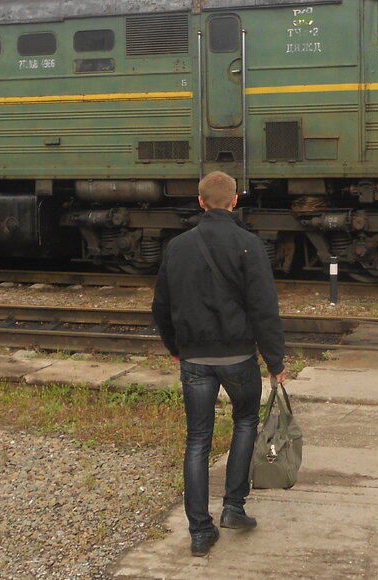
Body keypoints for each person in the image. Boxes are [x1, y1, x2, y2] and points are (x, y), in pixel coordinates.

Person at [152, 170, 288, 558]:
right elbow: (264, 309)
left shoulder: (177, 246)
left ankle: (199, 531)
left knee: (197, 439)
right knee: (245, 422)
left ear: (200, 202)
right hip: (239, 357)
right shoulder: (249, 244)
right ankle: (233, 508)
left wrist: (175, 347)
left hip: (194, 359)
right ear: (235, 201)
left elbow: (161, 305)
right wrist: (275, 361)